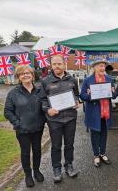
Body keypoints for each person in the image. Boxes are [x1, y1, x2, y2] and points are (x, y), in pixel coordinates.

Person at [4, 65, 46, 187]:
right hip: (22, 130)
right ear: (18, 77)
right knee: (26, 152)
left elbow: (45, 106)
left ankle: (37, 170)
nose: (26, 75)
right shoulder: (13, 93)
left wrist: (43, 120)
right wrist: (18, 124)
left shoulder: (39, 90)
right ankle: (28, 175)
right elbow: (7, 111)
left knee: (37, 150)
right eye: (22, 74)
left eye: (28, 73)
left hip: (38, 129)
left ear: (32, 75)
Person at [40, 54, 79, 183]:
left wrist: (77, 102)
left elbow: (76, 95)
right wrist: (47, 109)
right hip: (54, 120)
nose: (56, 66)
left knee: (69, 144)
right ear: (51, 65)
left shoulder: (72, 79)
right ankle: (56, 168)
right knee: (56, 146)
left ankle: (69, 165)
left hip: (70, 118)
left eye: (59, 63)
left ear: (64, 64)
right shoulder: (46, 81)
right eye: (54, 64)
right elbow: (42, 99)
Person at [80, 58, 116, 167]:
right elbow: (82, 96)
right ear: (94, 67)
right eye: (100, 66)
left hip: (106, 112)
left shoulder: (109, 79)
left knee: (104, 133)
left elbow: (113, 96)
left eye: (103, 66)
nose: (102, 68)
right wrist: (90, 95)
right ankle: (96, 155)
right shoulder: (88, 80)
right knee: (95, 134)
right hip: (94, 112)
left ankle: (102, 153)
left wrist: (113, 92)